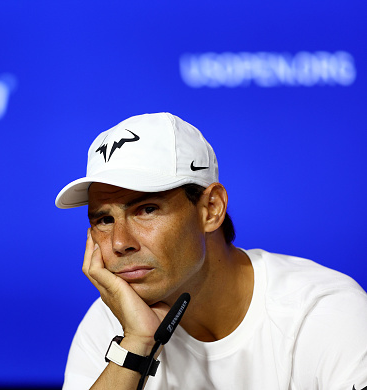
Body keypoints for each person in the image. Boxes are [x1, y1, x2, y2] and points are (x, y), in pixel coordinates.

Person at [55, 113, 367, 390]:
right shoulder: (114, 322)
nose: (120, 242)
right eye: (104, 219)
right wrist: (136, 344)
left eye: (147, 209)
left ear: (211, 209)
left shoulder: (323, 313)